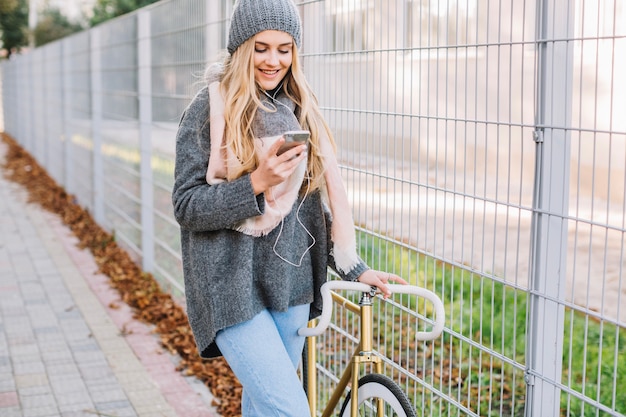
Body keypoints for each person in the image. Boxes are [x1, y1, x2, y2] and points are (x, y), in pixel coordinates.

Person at [171, 0, 405, 415]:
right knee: (289, 410)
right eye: (261, 47)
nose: (273, 60)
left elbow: (308, 210)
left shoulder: (300, 111)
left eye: (285, 48)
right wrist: (257, 182)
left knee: (264, 408)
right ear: (241, 47)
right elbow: (187, 205)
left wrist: (353, 267)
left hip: (290, 285)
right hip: (230, 288)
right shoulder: (208, 110)